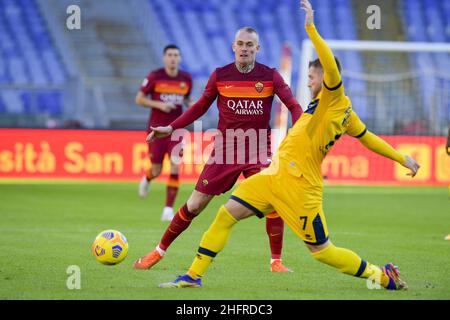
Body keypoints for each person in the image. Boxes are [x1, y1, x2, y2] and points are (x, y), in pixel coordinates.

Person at [158, 0, 421, 290]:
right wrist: (402, 158)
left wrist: (310, 27)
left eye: (311, 77)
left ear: (327, 77)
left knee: (323, 252)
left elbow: (330, 66)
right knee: (225, 214)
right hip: (275, 175)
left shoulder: (334, 98)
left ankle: (382, 277)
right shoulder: (338, 110)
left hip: (301, 188)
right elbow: (368, 137)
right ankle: (193, 276)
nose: (309, 83)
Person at [134, 27, 303, 272]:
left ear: (258, 48)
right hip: (225, 150)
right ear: (233, 47)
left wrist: (298, 134)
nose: (244, 48)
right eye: (240, 44)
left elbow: (294, 106)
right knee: (194, 205)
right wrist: (171, 128)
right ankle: (158, 252)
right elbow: (200, 106)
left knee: (272, 199)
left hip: (258, 150)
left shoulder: (270, 76)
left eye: (249, 44)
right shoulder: (220, 76)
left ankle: (276, 261)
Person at [135, 45, 192, 221]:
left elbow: (187, 100)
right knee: (157, 169)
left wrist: (192, 105)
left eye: (176, 55)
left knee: (175, 165)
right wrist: (159, 105)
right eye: (170, 55)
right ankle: (148, 177)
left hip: (176, 129)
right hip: (156, 129)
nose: (173, 58)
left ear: (180, 58)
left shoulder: (186, 79)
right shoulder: (155, 77)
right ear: (164, 58)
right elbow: (139, 99)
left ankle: (168, 208)